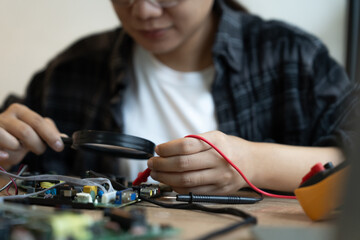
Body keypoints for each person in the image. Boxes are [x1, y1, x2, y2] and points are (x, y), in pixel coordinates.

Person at [0, 0, 358, 194]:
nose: (143, 11)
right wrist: (6, 159)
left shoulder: (292, 58)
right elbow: (23, 190)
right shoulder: (71, 73)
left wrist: (252, 162)